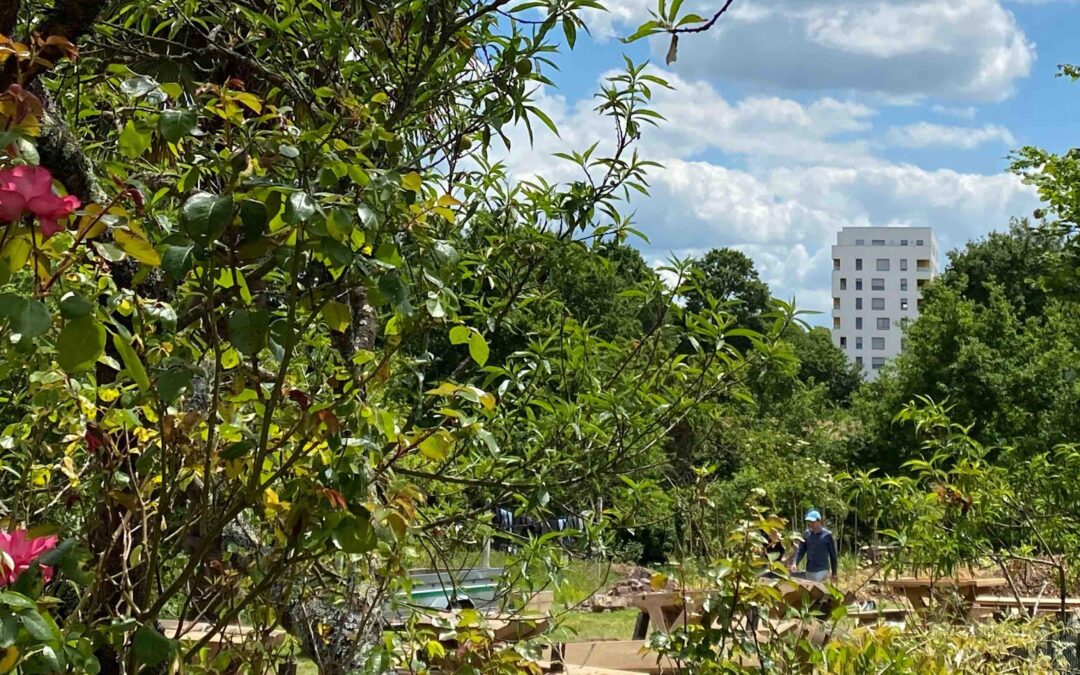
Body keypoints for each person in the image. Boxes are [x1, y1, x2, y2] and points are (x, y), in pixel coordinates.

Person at [791, 510, 838, 583]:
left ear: (819, 521)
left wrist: (834, 572)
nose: (811, 524)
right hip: (809, 569)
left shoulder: (827, 535)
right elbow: (801, 551)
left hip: (822, 570)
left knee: (817, 590)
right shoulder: (807, 534)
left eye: (813, 522)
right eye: (810, 522)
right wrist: (795, 563)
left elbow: (833, 555)